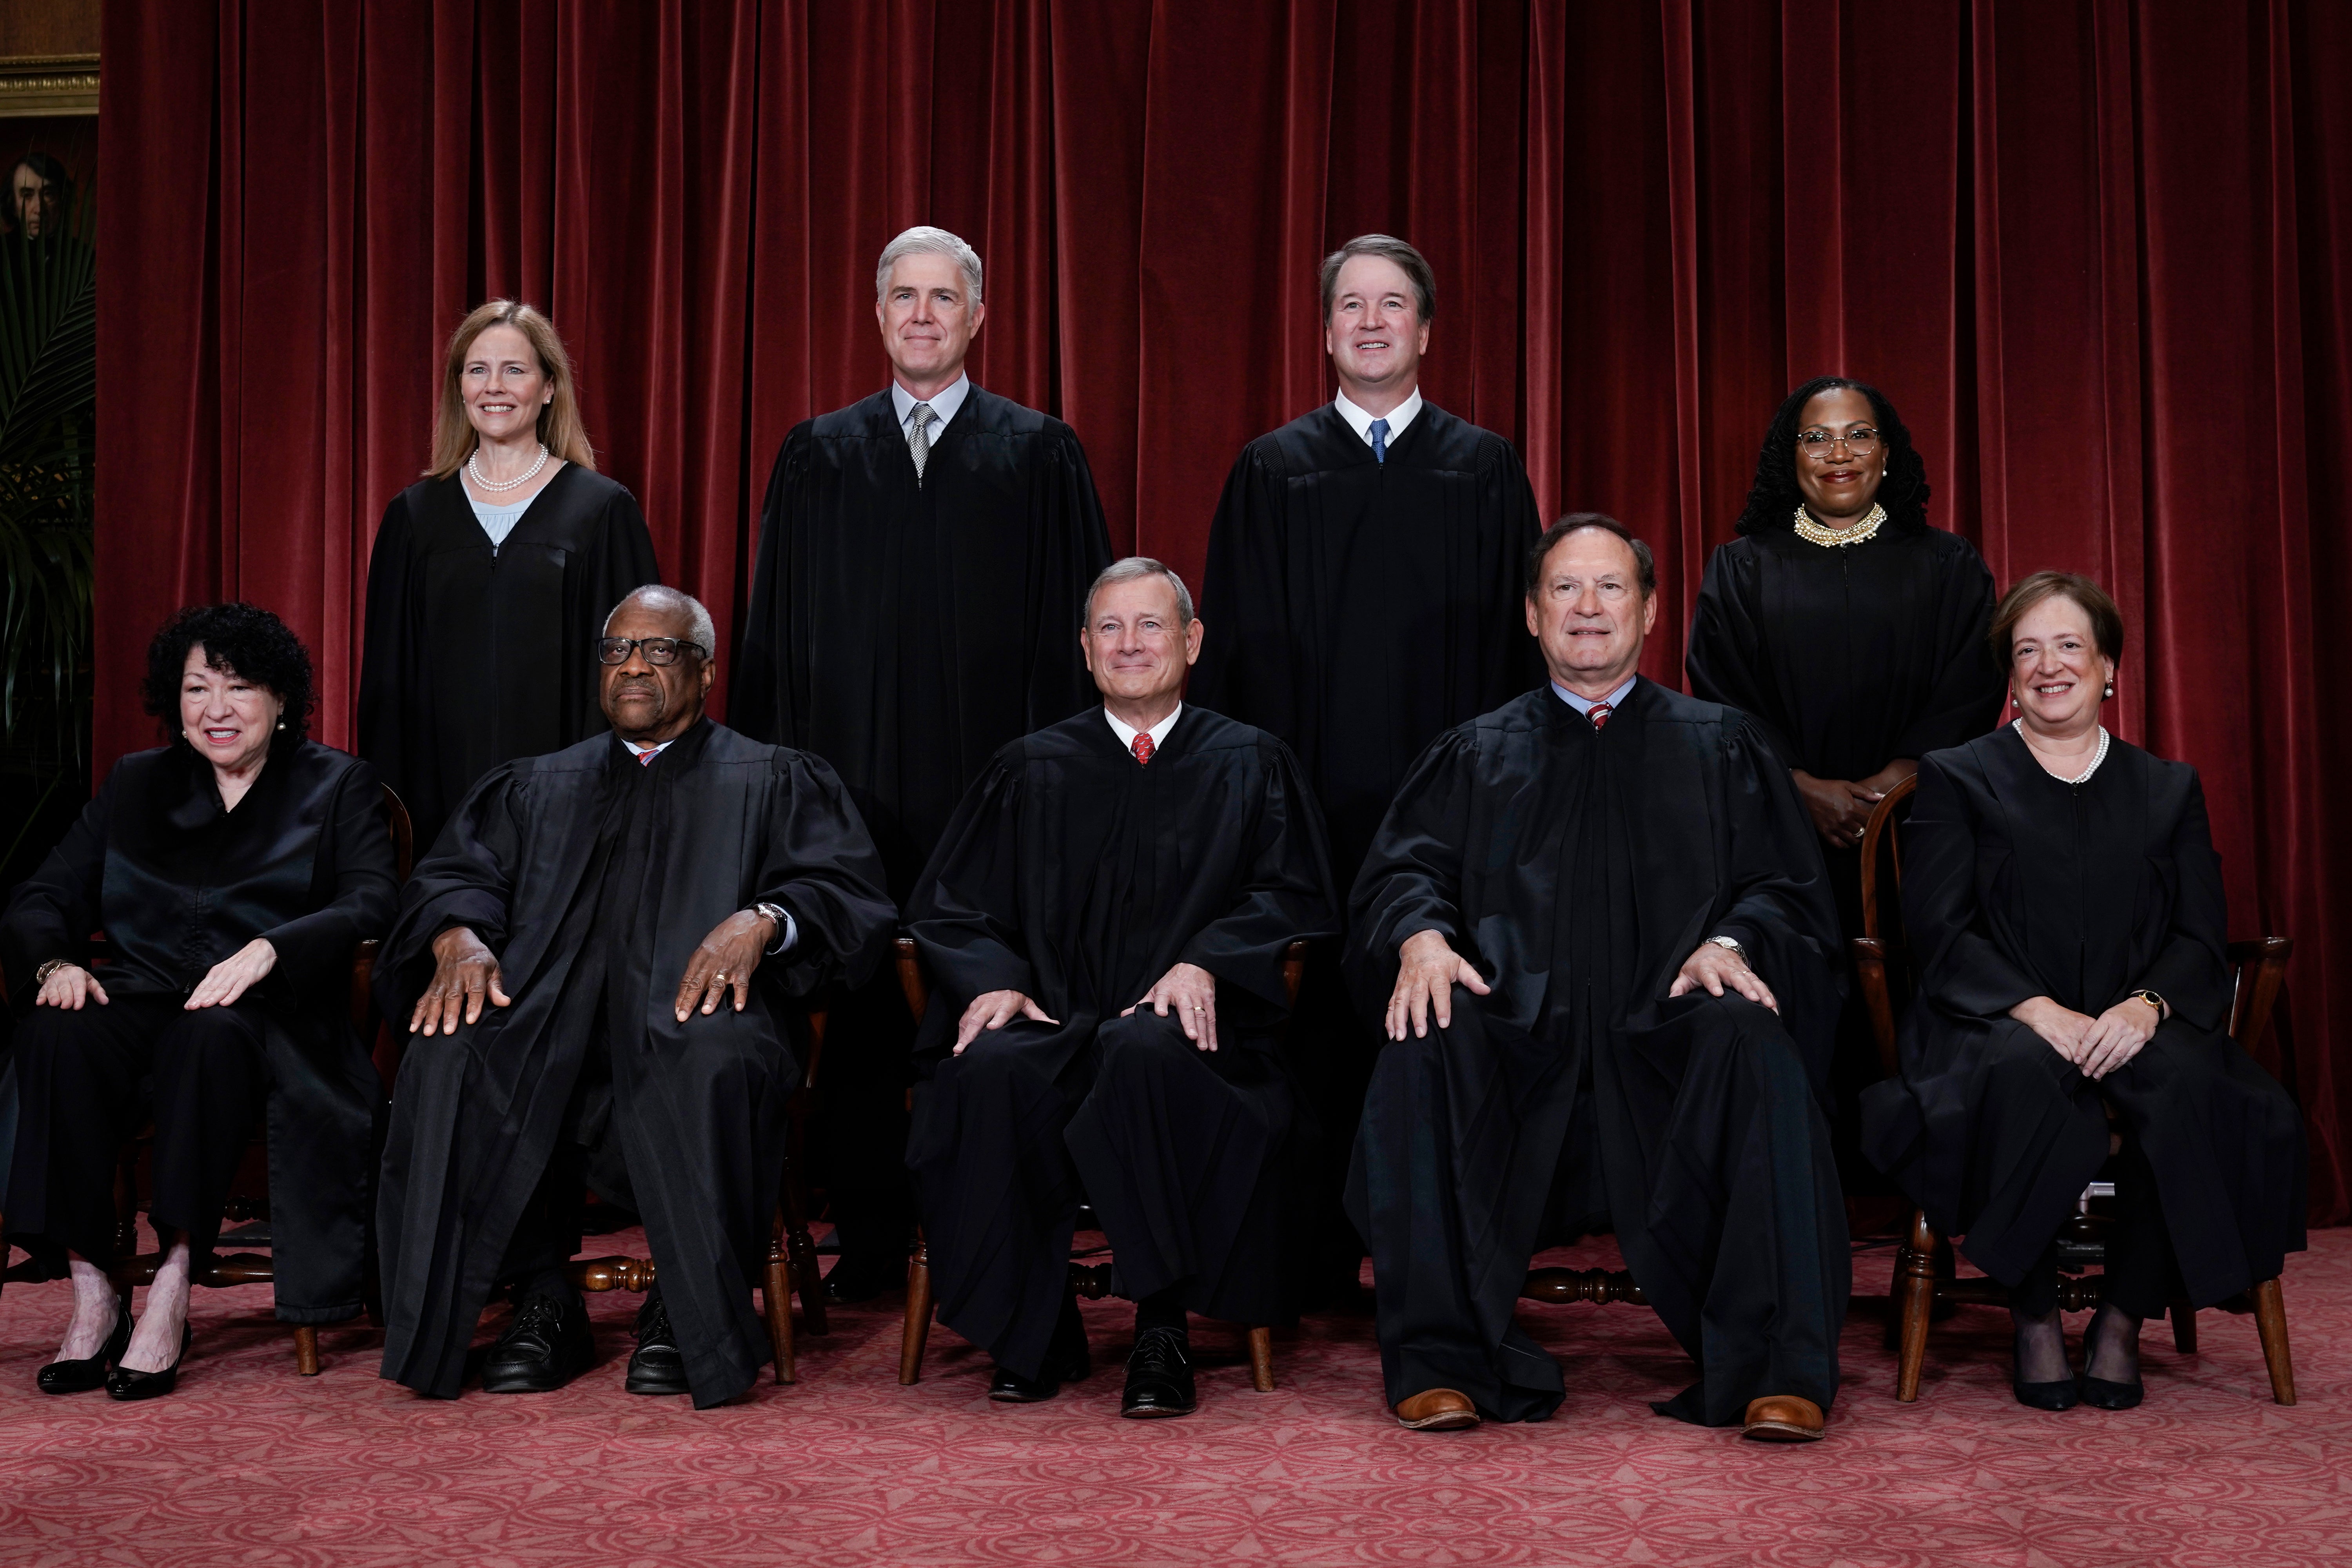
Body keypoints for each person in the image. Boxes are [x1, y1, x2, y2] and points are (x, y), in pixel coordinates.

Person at [1348, 515, 1849, 1440]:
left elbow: (1787, 890)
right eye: (1566, 590)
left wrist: (1732, 945)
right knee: (1426, 1037)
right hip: (1516, 1037)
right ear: (1533, 615)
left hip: (1670, 1034)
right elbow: (1402, 872)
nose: (1588, 608)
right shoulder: (1475, 752)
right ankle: (1440, 1359)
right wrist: (1420, 938)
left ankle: (1775, 1367)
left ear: (1650, 611)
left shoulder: (1721, 744)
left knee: (1751, 1039)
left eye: (1611, 587)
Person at [374, 586, 895, 1409]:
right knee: (455, 1052)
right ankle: (542, 1296)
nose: (633, 667)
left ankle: (684, 1312)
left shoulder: (774, 778)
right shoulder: (535, 786)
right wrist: (457, 936)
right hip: (547, 1016)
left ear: (707, 670)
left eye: (660, 650)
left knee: (713, 1058)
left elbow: (844, 894)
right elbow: (453, 878)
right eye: (616, 651)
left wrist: (765, 919)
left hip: (696, 1018)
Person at [733, 225, 1113, 1302]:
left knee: (990, 1002)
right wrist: (778, 797)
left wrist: (1066, 793)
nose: (922, 314)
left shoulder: (1040, 453)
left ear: (978, 317)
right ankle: (865, 1236)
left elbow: (1085, 639)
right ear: (877, 313)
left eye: (943, 298)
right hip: (850, 793)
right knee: (857, 1010)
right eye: (903, 296)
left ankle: (996, 1232)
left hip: (996, 796)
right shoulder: (818, 453)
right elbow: (774, 636)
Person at [1861, 572, 2305, 1411]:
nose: (2047, 665)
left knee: (2184, 1086)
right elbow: (1941, 930)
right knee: (2026, 1076)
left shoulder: (2167, 788)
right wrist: (2038, 1011)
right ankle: (2032, 1313)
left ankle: (2121, 1317)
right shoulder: (1961, 777)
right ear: (2010, 674)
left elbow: (2200, 937)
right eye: (2026, 650)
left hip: (2136, 1016)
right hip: (1996, 1016)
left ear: (2109, 667)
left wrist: (2146, 1007)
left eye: (2068, 646)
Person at [1191, 233, 1541, 1294]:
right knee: (1310, 1022)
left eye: (1395, 305)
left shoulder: (1483, 470)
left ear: (1427, 331)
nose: (1375, 322)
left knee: (1438, 1016)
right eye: (1354, 305)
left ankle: (1443, 1253)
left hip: (1449, 818)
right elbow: (1236, 660)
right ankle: (1303, 1253)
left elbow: (1516, 653)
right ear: (1327, 330)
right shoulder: (1272, 470)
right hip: (1309, 803)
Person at [906, 559, 1335, 1416]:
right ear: (1085, 647)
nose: (1130, 644)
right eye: (1110, 627)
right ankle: (1033, 1327)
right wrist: (994, 982)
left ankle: (1162, 1326)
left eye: (1150, 626)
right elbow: (949, 904)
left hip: (1195, 1037)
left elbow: (1296, 894)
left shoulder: (1252, 762)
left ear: (1192, 641)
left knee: (1144, 1051)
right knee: (990, 1070)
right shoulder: (1031, 766)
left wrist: (1208, 958)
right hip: (1059, 1017)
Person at [2, 604, 397, 1399]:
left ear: (282, 698)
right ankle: (93, 1289)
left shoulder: (338, 783)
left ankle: (174, 1282)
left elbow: (372, 901)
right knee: (58, 1032)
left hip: (269, 1013)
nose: (216, 708)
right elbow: (43, 893)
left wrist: (273, 946)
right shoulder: (136, 782)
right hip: (142, 992)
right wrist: (53, 961)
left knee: (207, 1037)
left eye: (240, 687)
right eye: (196, 688)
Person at [1686, 377, 2004, 1178]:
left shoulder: (1947, 564)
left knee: (1920, 979)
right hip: (1778, 827)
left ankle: (1919, 1170)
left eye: (1858, 436)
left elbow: (1973, 680)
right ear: (1787, 455)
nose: (1839, 455)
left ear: (1887, 453)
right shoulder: (1742, 568)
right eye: (1817, 437)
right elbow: (1723, 694)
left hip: (1919, 828)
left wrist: (1899, 779)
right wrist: (1802, 786)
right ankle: (1798, 1172)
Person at [358, 299, 661, 855]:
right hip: (440, 813)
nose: (494, 387)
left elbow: (635, 675)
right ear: (460, 388)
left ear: (548, 387)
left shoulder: (600, 512)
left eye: (514, 370)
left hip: (576, 814)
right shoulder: (416, 518)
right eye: (478, 370)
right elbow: (388, 686)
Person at [9, 153, 66, 238]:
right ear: (13, 204)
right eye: (27, 195)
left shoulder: (84, 251)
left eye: (48, 194)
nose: (39, 210)